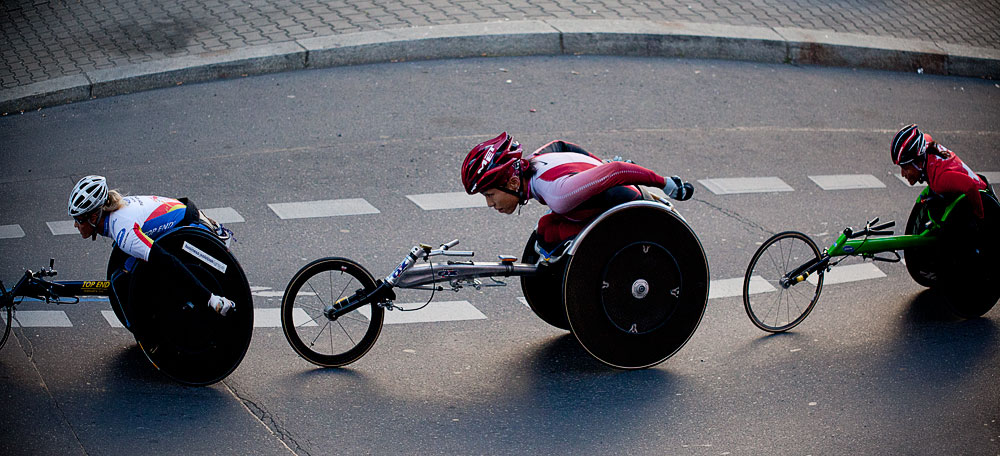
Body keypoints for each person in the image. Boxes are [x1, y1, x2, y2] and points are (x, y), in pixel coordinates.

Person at [461, 132, 695, 255]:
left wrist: (666, 184)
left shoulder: (559, 195)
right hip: (611, 202)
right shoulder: (535, 161)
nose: (490, 204)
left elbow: (618, 170)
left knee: (551, 230)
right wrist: (597, 164)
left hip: (634, 215)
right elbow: (562, 145)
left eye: (489, 195)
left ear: (512, 182)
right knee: (546, 228)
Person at [68, 175, 235, 316]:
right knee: (124, 271)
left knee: (121, 282)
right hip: (185, 217)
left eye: (79, 219)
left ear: (95, 215)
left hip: (193, 229)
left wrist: (210, 299)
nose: (76, 225)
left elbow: (167, 261)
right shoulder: (117, 212)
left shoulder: (124, 232)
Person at [890, 124, 988, 220]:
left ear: (919, 163)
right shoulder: (926, 147)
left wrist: (980, 218)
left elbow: (969, 185)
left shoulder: (939, 180)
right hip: (966, 193)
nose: (902, 174)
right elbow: (926, 136)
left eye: (906, 168)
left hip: (982, 202)